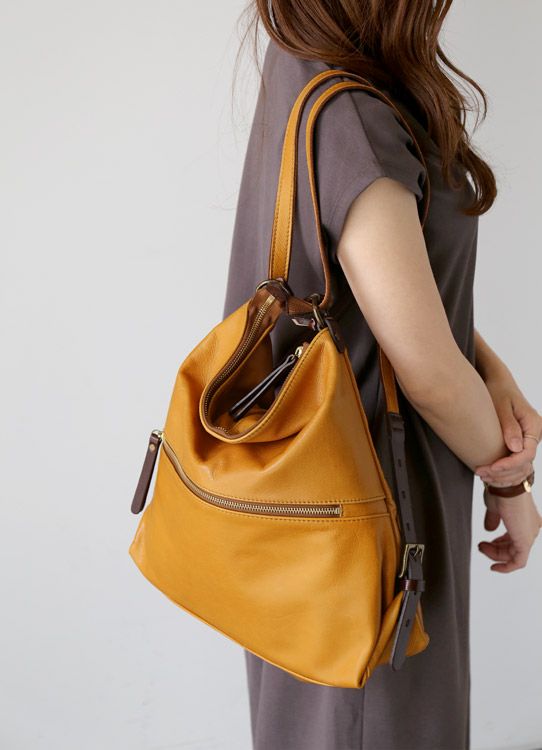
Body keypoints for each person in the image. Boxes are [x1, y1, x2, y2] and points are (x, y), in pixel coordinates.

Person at [222, 2, 542, 748]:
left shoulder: (300, 62)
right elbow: (426, 369)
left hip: (322, 512)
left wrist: (489, 369)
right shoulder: (354, 112)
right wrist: (510, 482)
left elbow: (376, 291)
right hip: (377, 514)